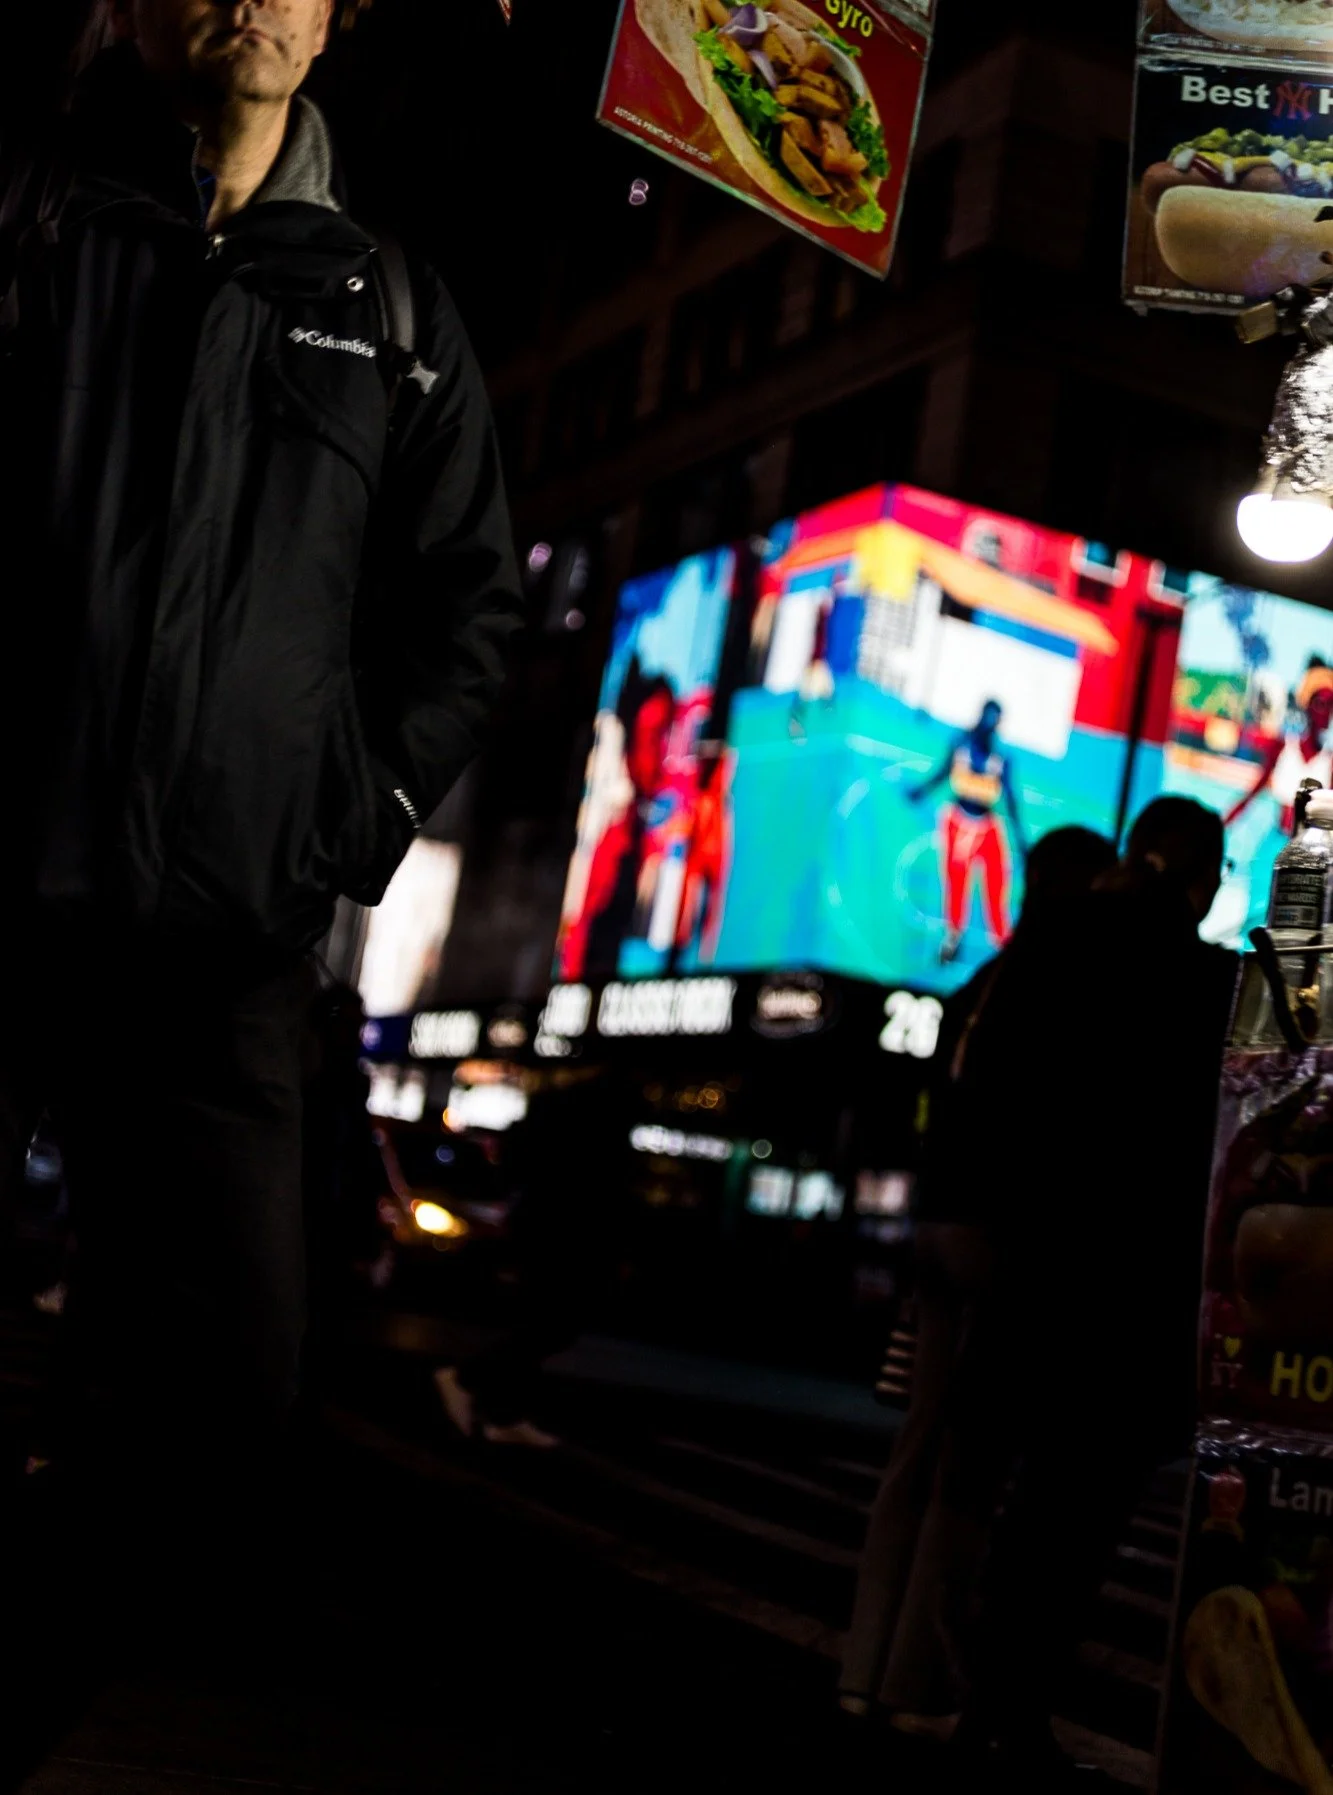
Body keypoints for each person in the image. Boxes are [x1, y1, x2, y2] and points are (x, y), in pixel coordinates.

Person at [0, 0, 521, 1667]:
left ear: (336, 20)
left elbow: (469, 615)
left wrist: (347, 819)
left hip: (227, 943)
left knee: (223, 1410)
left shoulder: (391, 311)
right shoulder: (33, 230)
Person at [949, 796, 1236, 1786]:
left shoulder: (1057, 939)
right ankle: (1009, 1705)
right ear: (1202, 878)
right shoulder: (1211, 983)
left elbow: (985, 1084)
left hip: (1035, 1263)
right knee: (1078, 1517)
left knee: (1013, 1497)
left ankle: (975, 1692)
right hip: (1138, 1285)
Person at [839, 826, 1117, 1734]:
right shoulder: (1067, 977)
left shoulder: (985, 980)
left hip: (934, 1218)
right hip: (995, 1232)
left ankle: (864, 1666)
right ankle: (915, 1683)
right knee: (970, 1462)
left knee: (918, 1450)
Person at [435, 1065, 630, 1448]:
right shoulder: (593, 1124)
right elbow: (607, 1187)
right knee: (552, 1322)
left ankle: (503, 1411)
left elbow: (513, 1163)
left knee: (545, 1318)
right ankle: (468, 1380)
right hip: (567, 1231)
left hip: (544, 1226)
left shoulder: (551, 1114)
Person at [908, 700, 1026, 964]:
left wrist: (1020, 838)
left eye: (995, 719)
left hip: (986, 825)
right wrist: (922, 790)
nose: (990, 723)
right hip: (959, 822)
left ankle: (1005, 943)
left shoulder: (1000, 758)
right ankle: (952, 938)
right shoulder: (961, 745)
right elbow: (943, 771)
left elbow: (1011, 798)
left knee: (997, 883)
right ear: (980, 715)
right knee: (957, 882)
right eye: (988, 717)